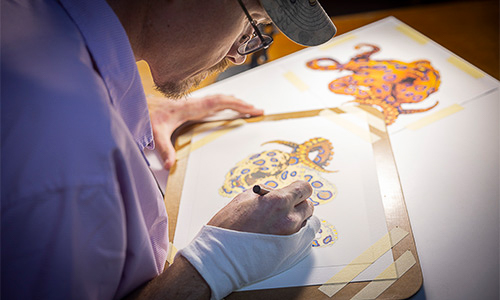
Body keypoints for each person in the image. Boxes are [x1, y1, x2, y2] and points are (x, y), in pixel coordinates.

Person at [1, 0, 336, 299]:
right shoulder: (71, 155)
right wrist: (216, 263)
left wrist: (122, 104)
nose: (238, 54)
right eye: (252, 23)